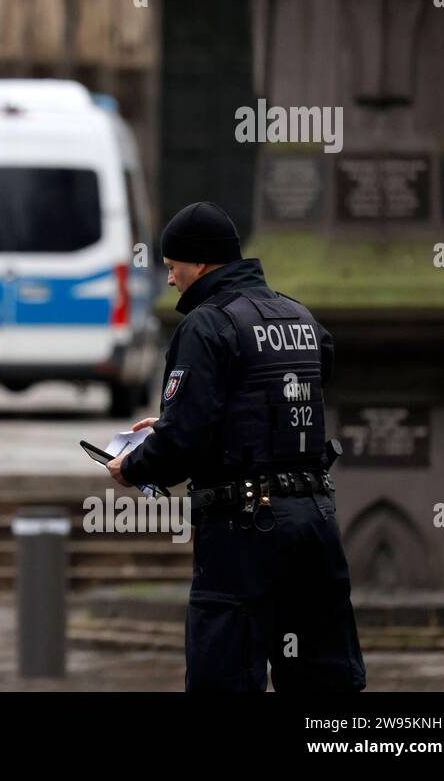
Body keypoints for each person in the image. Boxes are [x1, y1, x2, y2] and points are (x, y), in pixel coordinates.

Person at [107, 201, 366, 692]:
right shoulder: (298, 315)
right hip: (314, 524)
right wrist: (188, 416)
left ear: (200, 263)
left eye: (172, 267)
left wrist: (134, 466)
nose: (170, 280)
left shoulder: (205, 325)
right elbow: (279, 390)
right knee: (324, 679)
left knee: (223, 680)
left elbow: (179, 446)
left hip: (243, 531)